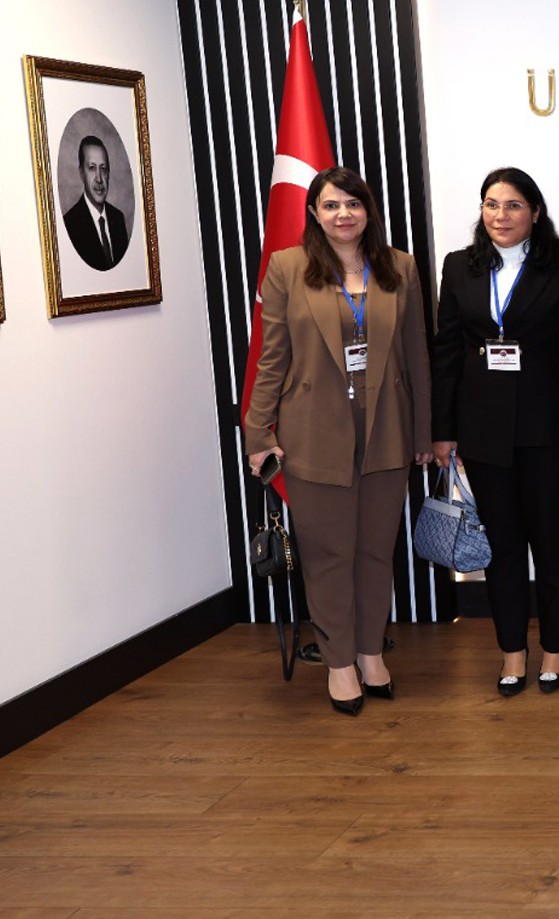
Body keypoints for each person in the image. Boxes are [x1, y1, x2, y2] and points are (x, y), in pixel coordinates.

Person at [243, 167, 432, 716]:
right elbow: (272, 357)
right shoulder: (288, 267)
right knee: (329, 556)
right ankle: (340, 663)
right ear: (314, 213)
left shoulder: (400, 266)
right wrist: (258, 432)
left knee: (375, 551)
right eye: (331, 205)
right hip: (313, 433)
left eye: (353, 203)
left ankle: (371, 653)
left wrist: (424, 432)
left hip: (387, 430)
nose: (343, 214)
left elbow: (417, 356)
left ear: (368, 210)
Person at [431, 167, 559, 698]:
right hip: (482, 429)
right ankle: (511, 652)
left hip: (549, 427)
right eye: (491, 204)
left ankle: (555, 650)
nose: (500, 215)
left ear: (535, 212)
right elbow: (447, 351)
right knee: (502, 547)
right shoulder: (459, 266)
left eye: (512, 205)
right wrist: (443, 430)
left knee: (549, 543)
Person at [61, 135, 130, 271]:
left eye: (103, 168)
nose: (99, 178)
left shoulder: (118, 219)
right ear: (82, 173)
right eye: (92, 168)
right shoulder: (69, 225)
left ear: (108, 173)